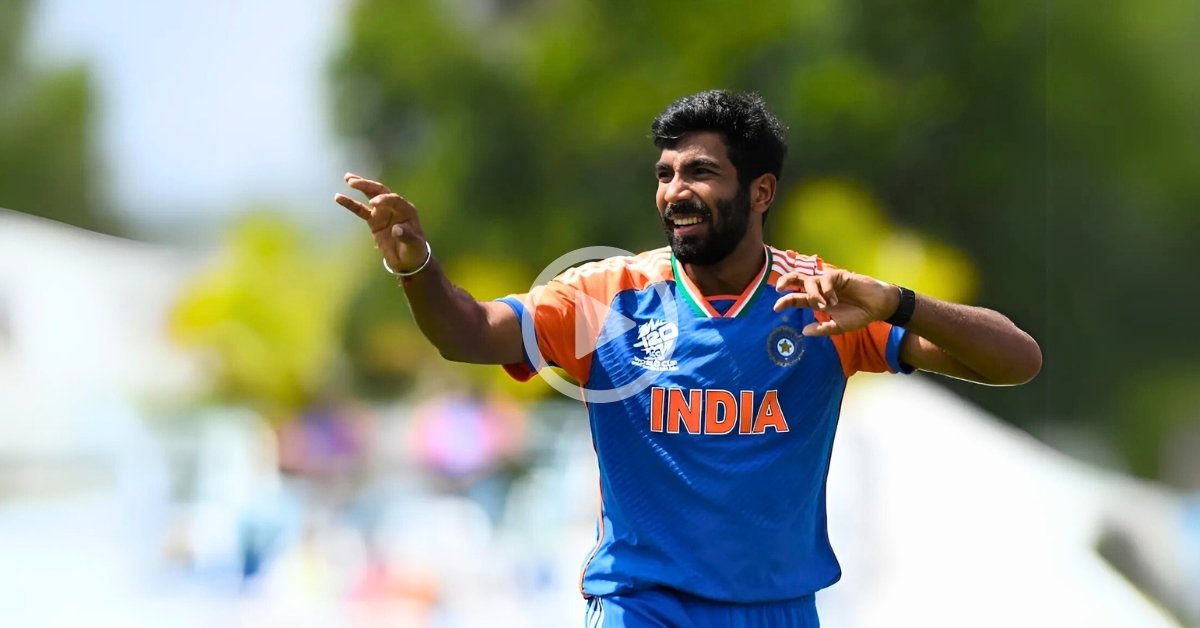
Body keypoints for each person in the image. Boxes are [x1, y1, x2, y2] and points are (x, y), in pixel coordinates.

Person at [335, 90, 1042, 628]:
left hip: (778, 608)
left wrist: (896, 303)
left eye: (699, 172)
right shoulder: (607, 293)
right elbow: (467, 332)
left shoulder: (821, 299)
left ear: (760, 191)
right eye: (665, 173)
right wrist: (417, 267)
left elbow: (1016, 361)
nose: (674, 192)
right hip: (643, 605)